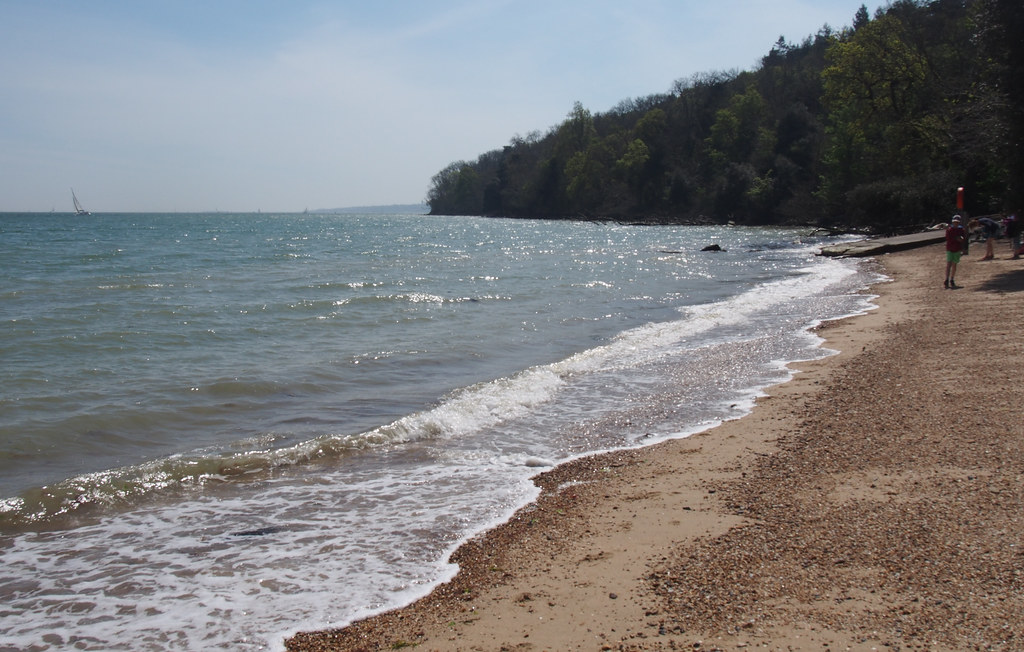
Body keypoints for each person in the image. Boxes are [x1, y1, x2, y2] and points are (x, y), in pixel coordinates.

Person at [945, 215, 967, 288]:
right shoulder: (949, 229)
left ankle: (952, 278)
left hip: (957, 249)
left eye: (957, 222)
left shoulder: (961, 230)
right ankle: (947, 279)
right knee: (949, 264)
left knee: (954, 264)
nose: (955, 223)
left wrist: (961, 242)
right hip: (950, 248)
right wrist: (956, 239)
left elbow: (963, 239)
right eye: (954, 222)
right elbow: (948, 238)